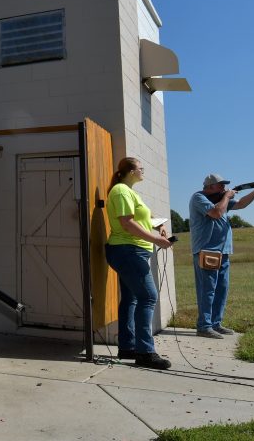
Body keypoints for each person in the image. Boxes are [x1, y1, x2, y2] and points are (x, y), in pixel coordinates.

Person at [104, 157, 174, 370]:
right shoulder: (121, 191)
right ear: (132, 171)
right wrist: (157, 240)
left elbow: (145, 216)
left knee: (131, 299)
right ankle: (145, 352)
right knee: (148, 297)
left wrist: (159, 225)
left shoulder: (130, 192)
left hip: (131, 252)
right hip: (128, 251)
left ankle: (128, 347)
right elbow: (127, 223)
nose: (143, 171)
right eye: (141, 168)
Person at [188, 173, 254, 339]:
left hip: (223, 251)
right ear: (210, 187)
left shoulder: (221, 198)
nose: (224, 188)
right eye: (221, 185)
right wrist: (226, 196)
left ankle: (215, 324)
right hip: (207, 250)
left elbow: (240, 204)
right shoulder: (198, 197)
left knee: (221, 290)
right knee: (207, 290)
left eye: (225, 186)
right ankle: (204, 326)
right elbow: (216, 213)